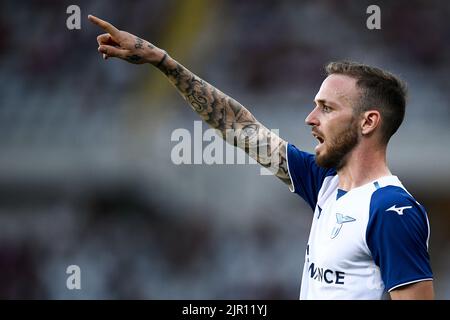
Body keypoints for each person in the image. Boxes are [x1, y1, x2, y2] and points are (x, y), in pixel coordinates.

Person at [88, 15, 434, 300]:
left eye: (326, 108)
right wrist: (163, 62)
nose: (310, 118)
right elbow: (239, 126)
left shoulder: (390, 210)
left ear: (368, 122)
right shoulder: (326, 183)